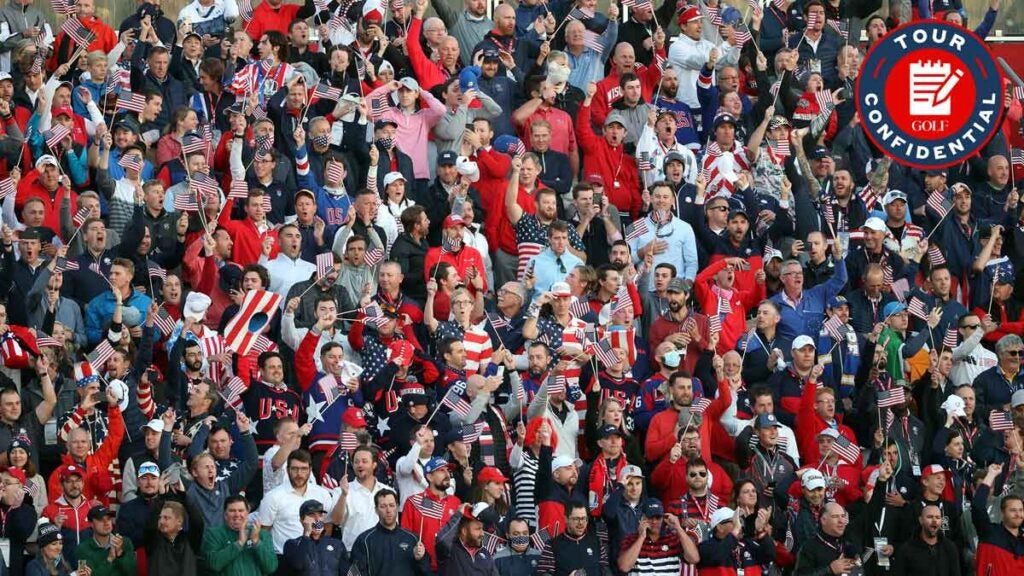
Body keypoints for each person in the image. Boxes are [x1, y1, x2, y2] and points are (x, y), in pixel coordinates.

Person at [350, 489, 432, 576]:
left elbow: (426, 572)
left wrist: (420, 559)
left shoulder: (413, 539)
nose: (388, 510)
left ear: (397, 507)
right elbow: (356, 573)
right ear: (376, 510)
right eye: (383, 506)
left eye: (391, 505)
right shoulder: (364, 540)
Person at [200, 496, 277, 576]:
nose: (237, 514)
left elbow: (271, 567)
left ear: (247, 513)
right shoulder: (213, 534)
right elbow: (213, 565)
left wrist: (256, 541)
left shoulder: (262, 534)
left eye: (241, 510)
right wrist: (239, 544)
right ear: (225, 514)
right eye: (232, 511)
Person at [73, 505, 137, 576]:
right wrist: (109, 560)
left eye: (109, 519)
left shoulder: (125, 542)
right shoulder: (81, 550)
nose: (106, 523)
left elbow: (132, 573)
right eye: (101, 520)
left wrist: (120, 554)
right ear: (91, 524)